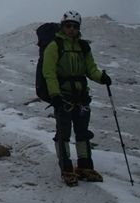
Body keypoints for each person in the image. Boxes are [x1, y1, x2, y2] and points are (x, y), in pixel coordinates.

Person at [42, 10, 112, 187]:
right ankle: (66, 168)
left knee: (82, 133)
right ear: (62, 26)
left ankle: (85, 166)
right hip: (63, 97)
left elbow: (90, 69)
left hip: (81, 97)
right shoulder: (54, 45)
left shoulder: (83, 47)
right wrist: (55, 95)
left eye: (74, 26)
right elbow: (48, 73)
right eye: (68, 26)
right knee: (64, 134)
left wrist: (101, 77)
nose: (71, 29)